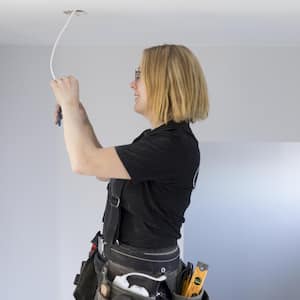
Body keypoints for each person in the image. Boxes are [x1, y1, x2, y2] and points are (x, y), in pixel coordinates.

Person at [50, 44, 209, 299]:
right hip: (122, 277)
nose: (132, 85)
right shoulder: (158, 140)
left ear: (161, 83)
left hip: (137, 283)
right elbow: (102, 168)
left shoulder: (171, 146)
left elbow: (83, 162)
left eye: (139, 75)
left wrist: (68, 105)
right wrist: (78, 113)